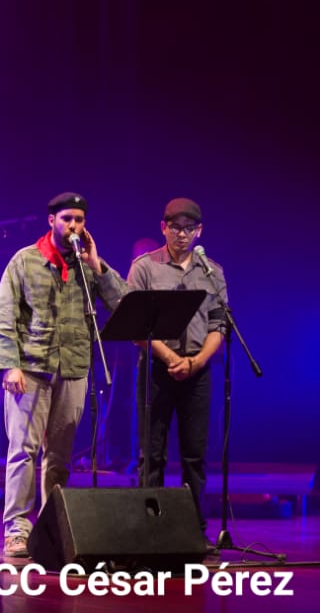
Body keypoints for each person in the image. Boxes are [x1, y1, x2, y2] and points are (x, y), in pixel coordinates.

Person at [0, 192, 127, 559]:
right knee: (23, 451)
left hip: (74, 369)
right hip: (32, 369)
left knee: (60, 457)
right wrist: (10, 365)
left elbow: (123, 304)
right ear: (51, 220)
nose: (73, 226)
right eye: (67, 219)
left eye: (79, 220)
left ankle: (50, 528)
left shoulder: (88, 265)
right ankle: (17, 530)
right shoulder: (25, 260)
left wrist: (97, 265)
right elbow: (5, 316)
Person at [127, 198, 225, 553]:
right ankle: (148, 533)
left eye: (189, 228)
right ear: (163, 227)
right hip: (156, 368)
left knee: (194, 456)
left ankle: (195, 533)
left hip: (197, 372)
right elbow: (134, 325)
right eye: (175, 227)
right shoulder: (145, 267)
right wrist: (171, 358)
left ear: (199, 231)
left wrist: (196, 362)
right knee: (152, 454)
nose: (182, 234)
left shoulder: (211, 271)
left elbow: (219, 324)